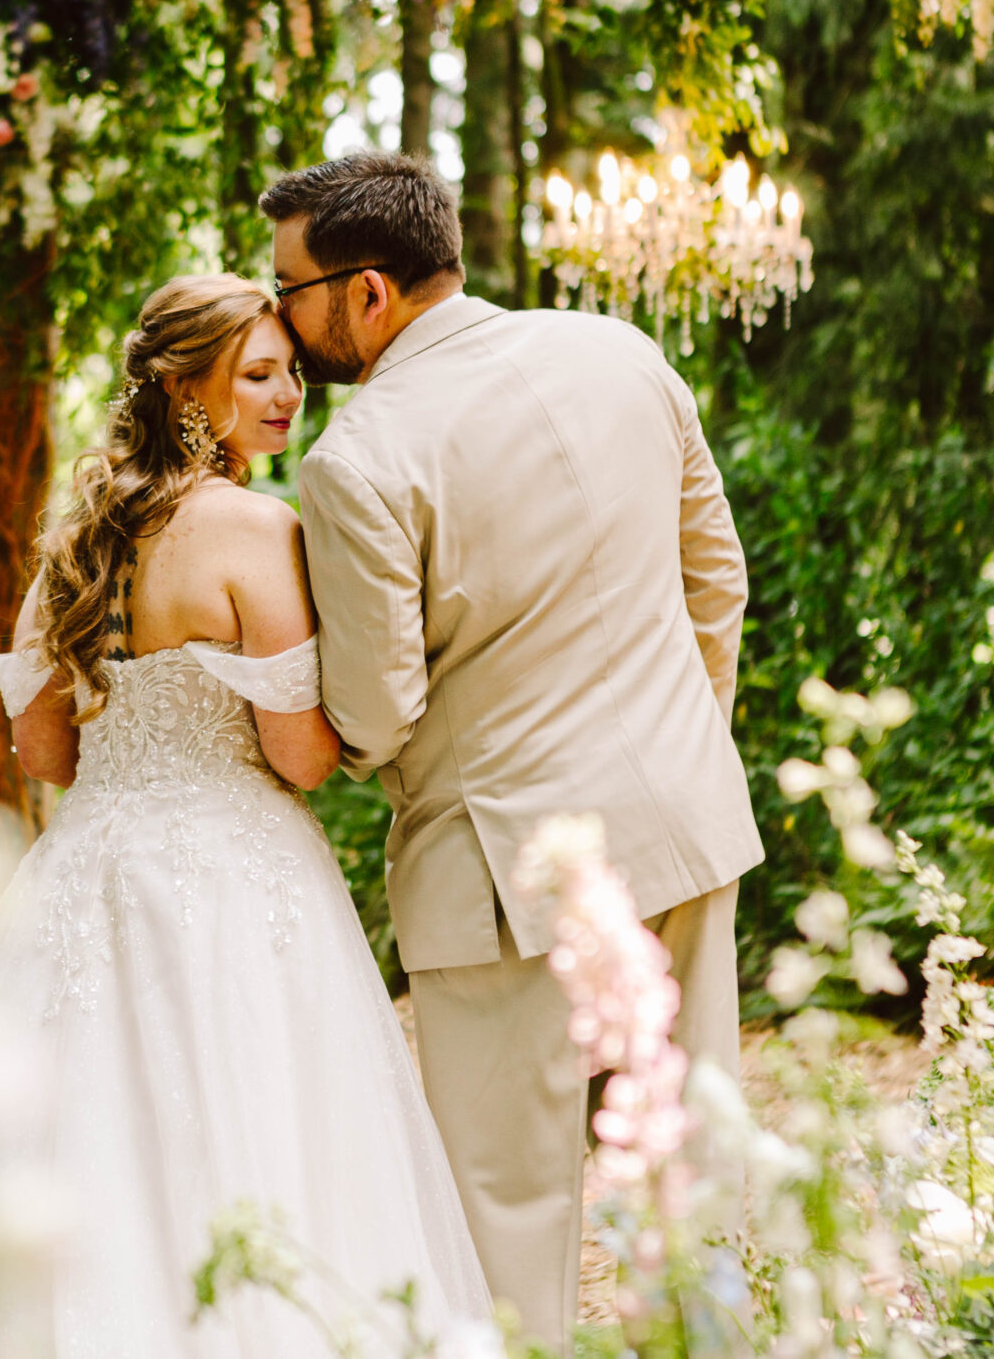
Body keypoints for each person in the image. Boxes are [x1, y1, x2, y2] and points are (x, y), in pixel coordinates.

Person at [263, 151, 761, 1348]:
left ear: (367, 292)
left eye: (289, 289)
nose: (279, 314)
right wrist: (676, 750)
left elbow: (375, 709)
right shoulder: (621, 355)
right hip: (683, 830)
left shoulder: (355, 461)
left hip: (498, 880)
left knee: (505, 1223)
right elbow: (715, 581)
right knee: (692, 1179)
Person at [0, 272, 494, 1355]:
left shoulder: (73, 540)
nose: (288, 395)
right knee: (257, 1127)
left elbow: (44, 752)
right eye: (258, 374)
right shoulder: (259, 528)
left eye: (292, 372)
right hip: (232, 875)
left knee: (89, 1137)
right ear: (183, 390)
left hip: (83, 873)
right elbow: (300, 756)